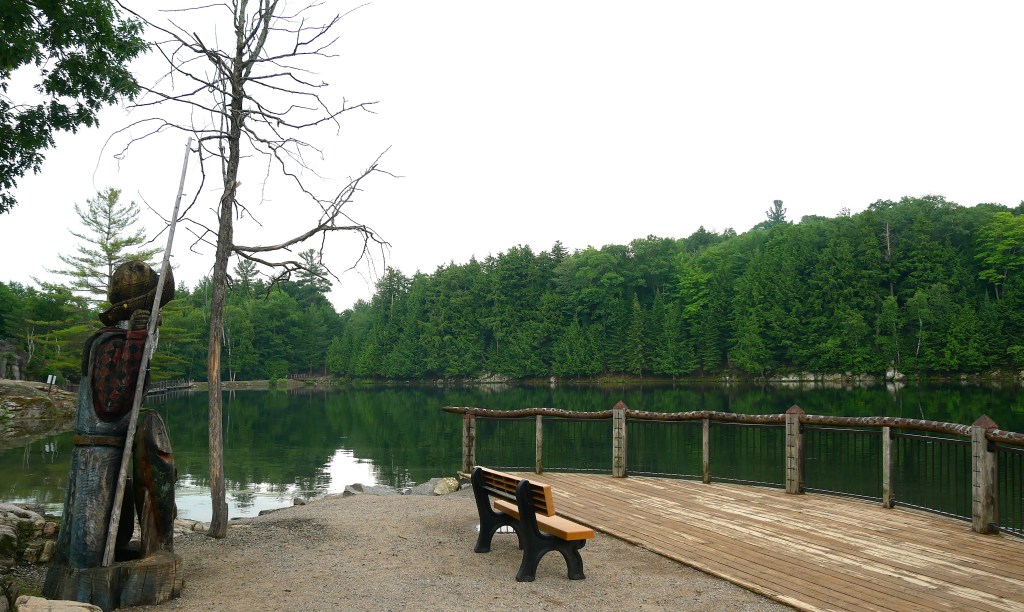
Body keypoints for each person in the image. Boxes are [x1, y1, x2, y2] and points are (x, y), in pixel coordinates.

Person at [46, 260, 177, 584]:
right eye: (152, 311)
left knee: (104, 527)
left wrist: (144, 338)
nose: (156, 319)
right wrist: (135, 339)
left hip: (108, 447)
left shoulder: (114, 339)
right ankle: (85, 583)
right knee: (89, 535)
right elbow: (112, 401)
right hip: (98, 451)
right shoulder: (111, 342)